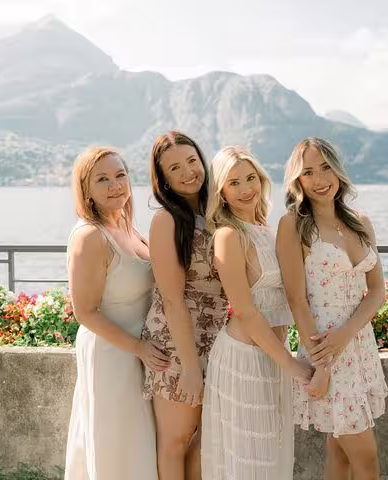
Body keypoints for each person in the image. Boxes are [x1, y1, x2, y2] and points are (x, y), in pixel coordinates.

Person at [277, 138, 388, 480]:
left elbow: (376, 291)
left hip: (357, 345)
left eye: (325, 167)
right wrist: (322, 363)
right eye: (308, 172)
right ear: (297, 180)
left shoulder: (360, 222)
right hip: (324, 350)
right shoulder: (294, 225)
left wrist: (346, 334)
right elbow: (296, 300)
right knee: (366, 460)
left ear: (338, 169)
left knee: (340, 455)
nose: (319, 178)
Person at [201, 146, 312, 480]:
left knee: (273, 456)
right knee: (249, 462)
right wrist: (291, 364)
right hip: (245, 358)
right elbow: (246, 311)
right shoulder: (227, 235)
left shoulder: (266, 229)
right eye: (234, 182)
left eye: (251, 178)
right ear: (220, 191)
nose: (246, 188)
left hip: (275, 355)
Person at [64, 147, 169, 480]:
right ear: (87, 190)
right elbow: (85, 312)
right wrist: (138, 348)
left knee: (136, 444)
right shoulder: (90, 237)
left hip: (140, 354)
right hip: (111, 355)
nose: (115, 185)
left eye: (120, 175)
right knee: (114, 446)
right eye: (103, 179)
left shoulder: (128, 226)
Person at [141, 132, 229, 480]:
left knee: (211, 439)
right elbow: (173, 300)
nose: (188, 172)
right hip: (178, 343)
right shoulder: (167, 220)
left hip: (219, 338)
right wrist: (190, 368)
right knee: (176, 441)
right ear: (164, 179)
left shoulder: (219, 212)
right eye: (175, 168)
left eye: (191, 161)